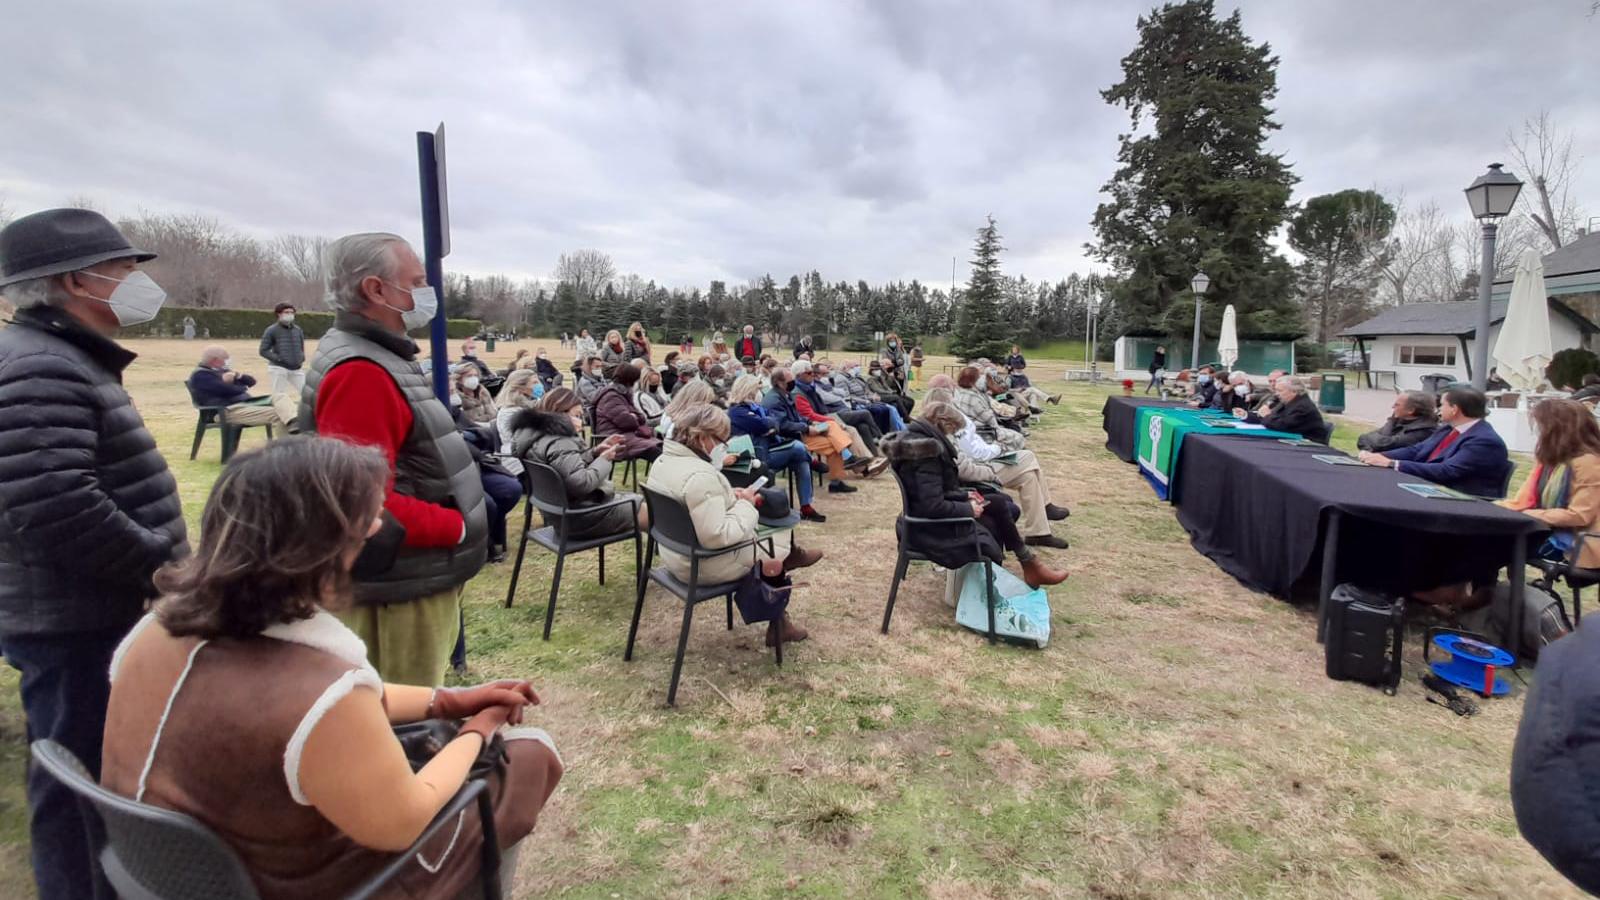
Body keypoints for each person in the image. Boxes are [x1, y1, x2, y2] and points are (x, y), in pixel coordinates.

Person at [100, 437, 562, 899]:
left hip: (179, 871)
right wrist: (478, 728)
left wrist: (448, 701)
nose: (381, 527)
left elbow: (338, 709)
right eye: (368, 525)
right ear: (318, 547)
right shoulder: (318, 691)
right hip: (293, 883)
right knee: (525, 758)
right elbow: (404, 819)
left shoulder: (154, 634)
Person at [0, 208, 188, 900]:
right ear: (79, 280)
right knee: (78, 785)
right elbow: (54, 503)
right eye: (126, 270)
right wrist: (157, 566)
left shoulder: (60, 358)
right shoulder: (41, 367)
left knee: (96, 776)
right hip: (76, 625)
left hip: (84, 615)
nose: (138, 283)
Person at [300, 231, 488, 686]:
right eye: (417, 280)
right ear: (376, 289)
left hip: (410, 577)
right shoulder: (362, 371)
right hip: (399, 587)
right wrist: (456, 527)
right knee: (409, 714)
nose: (428, 292)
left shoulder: (382, 356)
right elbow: (361, 501)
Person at [646, 404, 821, 646]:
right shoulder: (699, 476)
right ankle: (780, 621)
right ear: (702, 437)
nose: (725, 446)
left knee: (773, 547)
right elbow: (717, 536)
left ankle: (783, 593)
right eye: (722, 439)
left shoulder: (664, 461)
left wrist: (728, 495)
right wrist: (746, 504)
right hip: (702, 563)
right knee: (778, 542)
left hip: (675, 554)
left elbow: (699, 504)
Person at [883, 402, 1069, 588]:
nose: (952, 435)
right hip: (930, 529)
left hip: (922, 520)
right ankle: (1023, 567)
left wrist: (966, 496)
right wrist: (968, 508)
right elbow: (931, 506)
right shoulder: (927, 455)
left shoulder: (917, 443)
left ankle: (1028, 563)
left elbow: (933, 495)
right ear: (943, 423)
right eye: (952, 429)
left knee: (998, 503)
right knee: (997, 513)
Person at [925, 386, 1070, 548]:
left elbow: (970, 452)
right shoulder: (946, 434)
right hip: (978, 472)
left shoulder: (942, 430)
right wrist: (994, 456)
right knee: (1028, 457)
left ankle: (1038, 533)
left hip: (980, 464)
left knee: (1027, 476)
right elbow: (966, 466)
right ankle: (1046, 507)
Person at [511, 388, 638, 539]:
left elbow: (563, 467)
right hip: (581, 517)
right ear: (561, 413)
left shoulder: (535, 436)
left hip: (558, 514)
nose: (581, 421)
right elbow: (581, 483)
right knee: (647, 507)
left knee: (637, 501)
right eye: (576, 415)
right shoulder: (560, 441)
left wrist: (594, 453)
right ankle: (668, 557)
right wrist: (604, 459)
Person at [1499, 399, 1600, 568]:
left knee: (1493, 546)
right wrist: (1494, 508)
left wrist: (1529, 515)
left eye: (1540, 426)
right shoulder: (1549, 461)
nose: (1537, 433)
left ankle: (1482, 591)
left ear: (1556, 430)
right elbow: (1523, 501)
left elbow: (1580, 515)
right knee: (1485, 537)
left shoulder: (1588, 463)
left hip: (1574, 543)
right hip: (1547, 530)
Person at [1358, 387, 1511, 498]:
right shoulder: (1448, 429)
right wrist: (1379, 456)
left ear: (1454, 409)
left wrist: (1392, 464)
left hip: (1459, 498)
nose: (1438, 409)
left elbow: (1448, 471)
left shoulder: (1484, 441)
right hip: (1432, 489)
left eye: (1442, 405)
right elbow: (1417, 450)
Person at [728, 374, 826, 522]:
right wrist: (769, 425)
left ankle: (806, 507)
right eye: (757, 389)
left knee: (801, 462)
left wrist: (770, 426)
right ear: (748, 390)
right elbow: (763, 425)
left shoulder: (756, 408)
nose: (759, 393)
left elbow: (775, 423)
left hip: (771, 447)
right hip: (756, 456)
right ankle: (810, 459)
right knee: (798, 447)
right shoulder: (737, 412)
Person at [764, 367, 865, 494]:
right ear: (779, 382)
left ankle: (842, 467)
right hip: (792, 437)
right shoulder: (774, 400)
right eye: (790, 380)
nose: (793, 383)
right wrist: (806, 428)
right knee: (834, 445)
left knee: (830, 424)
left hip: (802, 430)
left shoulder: (784, 393)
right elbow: (782, 425)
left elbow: (798, 417)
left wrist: (811, 423)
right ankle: (844, 463)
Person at [187, 344, 300, 428]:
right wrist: (237, 386)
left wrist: (238, 376)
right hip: (225, 411)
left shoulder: (222, 371)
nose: (227, 362)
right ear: (215, 361)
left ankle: (295, 421)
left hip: (243, 404)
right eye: (225, 359)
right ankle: (290, 449)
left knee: (280, 397)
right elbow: (229, 391)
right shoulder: (201, 375)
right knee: (279, 415)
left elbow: (251, 382)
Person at [793, 359, 884, 463]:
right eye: (809, 373)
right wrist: (831, 419)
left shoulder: (809, 388)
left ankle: (869, 460)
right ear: (799, 375)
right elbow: (809, 415)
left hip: (821, 421)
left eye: (813, 372)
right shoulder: (798, 393)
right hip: (814, 427)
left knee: (861, 426)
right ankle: (855, 460)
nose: (812, 375)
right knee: (844, 429)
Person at [593, 362, 663, 462]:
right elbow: (626, 421)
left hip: (628, 435)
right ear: (629, 380)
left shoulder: (622, 394)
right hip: (615, 438)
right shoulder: (611, 397)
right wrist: (633, 417)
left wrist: (634, 416)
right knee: (654, 451)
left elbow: (641, 418)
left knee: (661, 447)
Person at [1233, 375, 1327, 441]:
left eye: (1280, 390)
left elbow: (1281, 425)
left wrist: (1267, 415)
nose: (1277, 394)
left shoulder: (1302, 406)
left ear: (1294, 391)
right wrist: (1245, 415)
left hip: (1308, 444)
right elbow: (1270, 418)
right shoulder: (1286, 402)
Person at [954, 365, 1025, 451]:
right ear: (972, 380)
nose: (982, 378)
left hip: (978, 427)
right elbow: (988, 418)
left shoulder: (961, 393)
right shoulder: (973, 397)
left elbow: (1004, 387)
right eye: (979, 376)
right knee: (1018, 437)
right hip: (983, 430)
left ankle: (1017, 413)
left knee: (1009, 397)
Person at [1356, 391, 1439, 453]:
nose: (1392, 407)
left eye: (1397, 405)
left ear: (1411, 410)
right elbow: (1363, 438)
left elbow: (1384, 445)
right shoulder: (1399, 420)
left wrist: (1373, 451)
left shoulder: (1425, 430)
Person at [836, 359, 906, 431]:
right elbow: (848, 397)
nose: (856, 368)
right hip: (857, 403)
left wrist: (871, 396)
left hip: (867, 399)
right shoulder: (842, 379)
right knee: (882, 409)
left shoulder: (853, 377)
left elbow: (865, 391)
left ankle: (889, 430)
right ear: (845, 368)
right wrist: (866, 400)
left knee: (887, 407)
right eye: (853, 367)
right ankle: (881, 432)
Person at [259, 302, 307, 396]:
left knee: (306, 393)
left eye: (291, 312)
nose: (289, 314)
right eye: (286, 312)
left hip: (296, 368)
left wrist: (301, 357)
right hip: (278, 368)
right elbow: (263, 350)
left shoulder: (297, 330)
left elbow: (301, 347)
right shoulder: (271, 330)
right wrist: (279, 358)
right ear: (279, 314)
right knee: (279, 395)